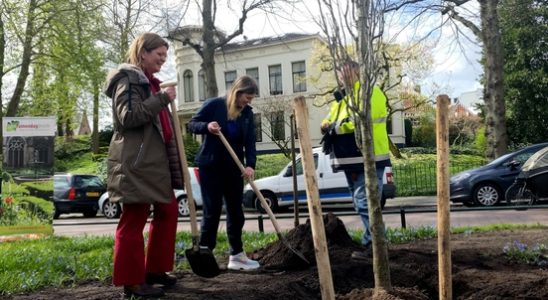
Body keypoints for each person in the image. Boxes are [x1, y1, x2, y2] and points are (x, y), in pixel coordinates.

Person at [104, 32, 182, 298]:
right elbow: (128, 117)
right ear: (143, 53)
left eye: (164, 56)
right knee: (133, 220)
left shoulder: (149, 83)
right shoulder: (127, 80)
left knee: (168, 210)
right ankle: (132, 282)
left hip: (153, 165)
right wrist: (161, 99)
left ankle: (155, 270)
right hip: (135, 164)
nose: (163, 60)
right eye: (159, 55)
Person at [187, 75, 260, 271]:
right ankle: (204, 252)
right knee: (213, 210)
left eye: (251, 98)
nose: (249, 101)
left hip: (234, 169)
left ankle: (236, 255)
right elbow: (192, 124)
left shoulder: (247, 113)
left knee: (236, 212)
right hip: (211, 166)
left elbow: (250, 142)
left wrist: (250, 165)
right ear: (238, 91)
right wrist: (207, 127)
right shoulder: (215, 105)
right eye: (248, 97)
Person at [320, 60, 391, 260]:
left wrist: (335, 127)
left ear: (356, 71)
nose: (341, 77)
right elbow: (329, 119)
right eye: (340, 73)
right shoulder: (342, 98)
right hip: (350, 159)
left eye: (344, 72)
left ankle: (375, 246)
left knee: (365, 201)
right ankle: (375, 243)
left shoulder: (370, 92)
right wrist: (327, 125)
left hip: (368, 157)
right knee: (360, 201)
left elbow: (359, 120)